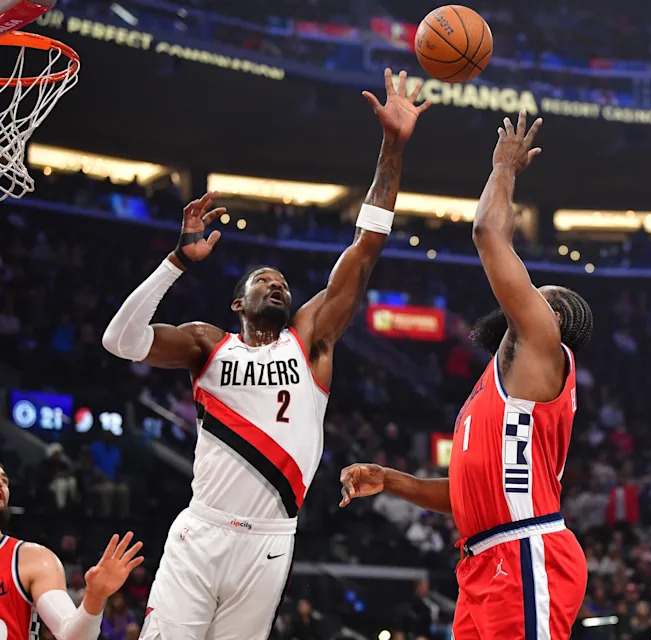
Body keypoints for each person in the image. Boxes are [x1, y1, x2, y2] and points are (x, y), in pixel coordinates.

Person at [101, 68, 430, 640]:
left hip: (271, 541)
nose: (277, 285)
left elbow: (366, 245)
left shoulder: (311, 340)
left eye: (283, 282)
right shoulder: (207, 343)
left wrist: (392, 148)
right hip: (200, 533)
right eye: (263, 280)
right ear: (238, 303)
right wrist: (175, 263)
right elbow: (120, 341)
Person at [340, 110, 595, 639]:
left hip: (524, 549)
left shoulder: (544, 349)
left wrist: (504, 168)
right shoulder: (497, 385)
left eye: (537, 294)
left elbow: (486, 231)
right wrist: (392, 481)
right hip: (483, 559)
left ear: (554, 322)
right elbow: (466, 493)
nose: (522, 293)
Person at [0, 462, 144, 640]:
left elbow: (72, 636)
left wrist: (95, 597)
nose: (1, 484)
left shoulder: (32, 559)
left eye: (4, 480)